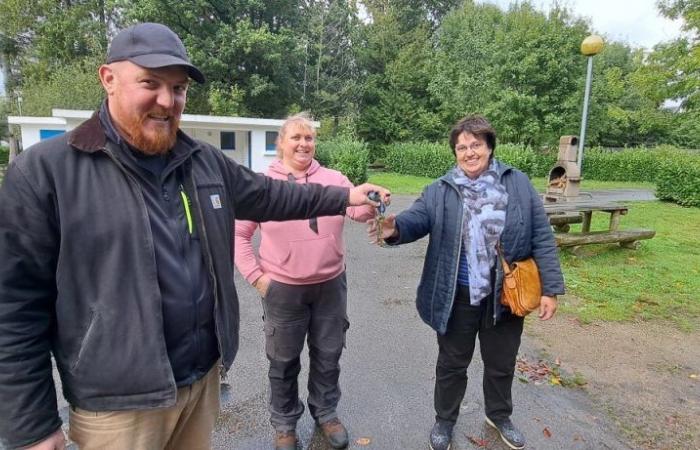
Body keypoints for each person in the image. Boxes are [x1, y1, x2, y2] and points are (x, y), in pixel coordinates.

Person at [0, 23, 389, 450]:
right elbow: (13, 306)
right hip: (119, 408)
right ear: (108, 78)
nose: (167, 101)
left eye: (179, 88)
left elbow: (273, 196)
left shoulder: (203, 162)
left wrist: (344, 195)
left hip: (201, 384)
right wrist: (32, 424)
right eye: (150, 83)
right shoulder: (46, 172)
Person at [368, 115, 564, 450]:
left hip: (504, 293)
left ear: (489, 146)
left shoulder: (517, 183)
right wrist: (393, 227)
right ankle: (444, 420)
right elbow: (418, 219)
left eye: (476, 144)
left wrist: (550, 288)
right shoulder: (441, 189)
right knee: (451, 364)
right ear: (454, 152)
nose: (469, 152)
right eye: (462, 147)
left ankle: (499, 415)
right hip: (456, 294)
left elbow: (541, 235)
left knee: (501, 363)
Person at [234, 113, 376, 450]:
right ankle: (285, 424)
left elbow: (357, 211)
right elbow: (238, 236)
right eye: (296, 137)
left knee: (328, 354)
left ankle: (325, 413)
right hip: (282, 289)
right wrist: (258, 278)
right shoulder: (263, 183)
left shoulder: (334, 179)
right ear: (280, 143)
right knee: (283, 361)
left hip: (330, 286)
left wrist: (373, 203)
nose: (303, 143)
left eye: (309, 137)